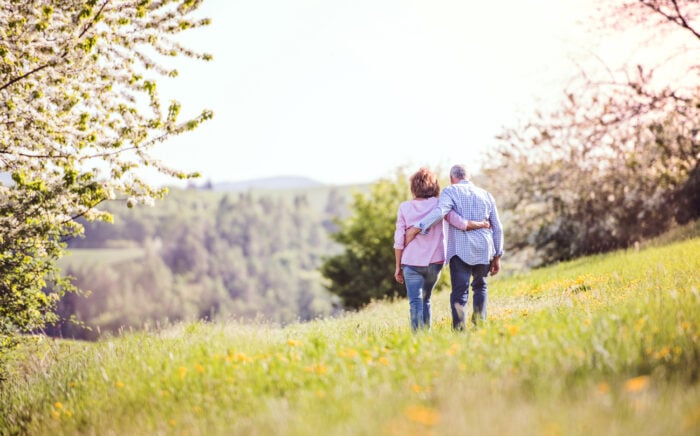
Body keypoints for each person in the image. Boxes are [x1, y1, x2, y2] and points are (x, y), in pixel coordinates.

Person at [405, 164, 503, 330]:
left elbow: (439, 212)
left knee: (460, 291)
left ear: (451, 179)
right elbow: (497, 227)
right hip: (484, 248)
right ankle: (480, 324)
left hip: (460, 250)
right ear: (468, 177)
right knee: (481, 287)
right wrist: (498, 255)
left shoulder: (450, 191)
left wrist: (417, 228)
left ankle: (459, 328)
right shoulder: (486, 195)